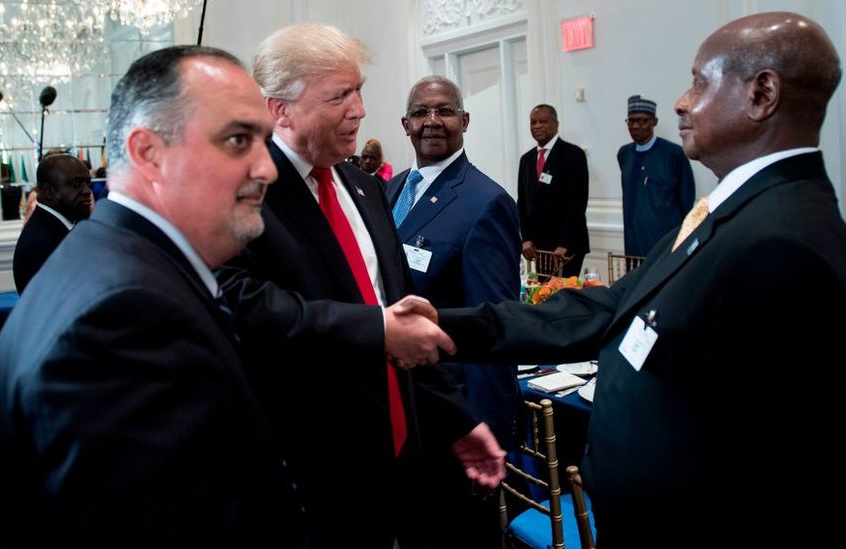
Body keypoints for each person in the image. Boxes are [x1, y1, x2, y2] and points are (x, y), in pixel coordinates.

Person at [416, 12, 846, 547]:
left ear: (761, 94)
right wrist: (442, 327)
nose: (681, 101)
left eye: (700, 81)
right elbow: (606, 308)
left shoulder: (785, 239)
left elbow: (802, 466)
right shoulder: (733, 208)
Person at [0, 45, 307, 547]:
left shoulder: (112, 255)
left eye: (264, 140)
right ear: (148, 152)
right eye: (238, 140)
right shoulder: (124, 317)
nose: (268, 168)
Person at [215, 23, 505, 548]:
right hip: (311, 473)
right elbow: (239, 304)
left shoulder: (366, 188)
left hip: (400, 457)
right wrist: (374, 329)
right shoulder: (243, 192)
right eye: (339, 96)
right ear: (280, 109)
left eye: (359, 90)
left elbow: (399, 321)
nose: (360, 110)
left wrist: (459, 421)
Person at [386, 75, 522, 547]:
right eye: (421, 112)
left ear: (464, 121)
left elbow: (496, 327)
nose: (432, 122)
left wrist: (486, 429)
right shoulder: (391, 191)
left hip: (454, 414)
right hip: (401, 407)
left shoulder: (486, 203)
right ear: (405, 124)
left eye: (444, 111)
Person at [618, 94, 696, 256]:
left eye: (642, 121)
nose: (635, 126)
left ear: (654, 122)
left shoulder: (673, 154)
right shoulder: (625, 154)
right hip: (632, 239)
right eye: (631, 121)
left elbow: (686, 199)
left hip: (665, 241)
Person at [517, 104, 589, 277]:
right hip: (538, 248)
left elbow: (577, 203)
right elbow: (522, 202)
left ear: (556, 124)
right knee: (543, 298)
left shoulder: (573, 154)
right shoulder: (526, 159)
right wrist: (525, 239)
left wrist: (565, 243)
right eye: (533, 122)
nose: (537, 126)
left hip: (566, 247)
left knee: (566, 298)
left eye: (543, 121)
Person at [12, 153, 93, 294]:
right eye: (77, 184)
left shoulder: (59, 228)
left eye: (88, 183)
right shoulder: (41, 242)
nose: (87, 191)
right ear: (48, 191)